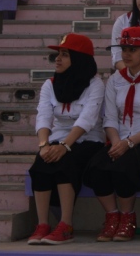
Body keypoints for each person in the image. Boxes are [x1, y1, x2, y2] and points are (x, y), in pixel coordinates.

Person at [83, 27, 140, 242]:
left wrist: (128, 143)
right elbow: (110, 118)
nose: (127, 54)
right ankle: (112, 215)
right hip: (118, 140)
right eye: (124, 49)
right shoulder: (115, 80)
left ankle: (128, 216)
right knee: (97, 167)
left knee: (124, 167)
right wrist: (116, 143)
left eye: (133, 49)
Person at [27, 34, 104, 246]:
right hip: (58, 137)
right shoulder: (49, 84)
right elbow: (43, 116)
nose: (58, 59)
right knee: (41, 163)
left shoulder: (95, 84)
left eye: (65, 55)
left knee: (65, 162)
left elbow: (88, 119)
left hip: (88, 139)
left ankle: (66, 225)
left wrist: (64, 146)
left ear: (79, 59)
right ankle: (43, 224)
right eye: (58, 55)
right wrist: (44, 145)